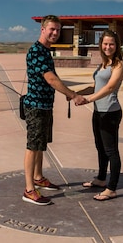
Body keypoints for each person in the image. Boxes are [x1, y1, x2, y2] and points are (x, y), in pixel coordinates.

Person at [22, 15, 86, 205]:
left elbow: (54, 80)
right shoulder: (36, 52)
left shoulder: (46, 51)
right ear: (43, 29)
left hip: (45, 106)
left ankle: (38, 177)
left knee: (41, 144)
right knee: (33, 146)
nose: (55, 33)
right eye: (52, 29)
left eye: (58, 30)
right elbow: (51, 79)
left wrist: (68, 92)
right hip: (35, 106)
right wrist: (73, 95)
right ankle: (29, 189)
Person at [76, 30, 123, 201]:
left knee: (111, 150)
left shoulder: (118, 64)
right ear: (101, 45)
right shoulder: (103, 64)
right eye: (105, 43)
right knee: (100, 147)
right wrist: (76, 93)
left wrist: (88, 99)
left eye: (111, 44)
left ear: (116, 45)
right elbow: (96, 86)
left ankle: (111, 188)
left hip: (110, 112)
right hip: (98, 111)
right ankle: (101, 179)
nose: (108, 47)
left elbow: (110, 87)